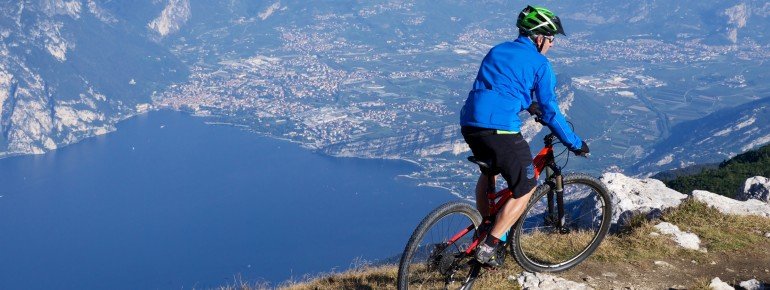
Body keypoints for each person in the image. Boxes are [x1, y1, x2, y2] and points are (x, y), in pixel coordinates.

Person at [459, 5, 589, 267]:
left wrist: (527, 104)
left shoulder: (496, 50)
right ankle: (490, 245)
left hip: (470, 123)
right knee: (526, 187)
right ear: (539, 37)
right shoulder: (541, 64)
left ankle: (486, 226)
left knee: (489, 172)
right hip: (500, 129)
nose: (552, 45)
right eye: (551, 39)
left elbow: (497, 86)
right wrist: (574, 143)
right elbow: (551, 112)